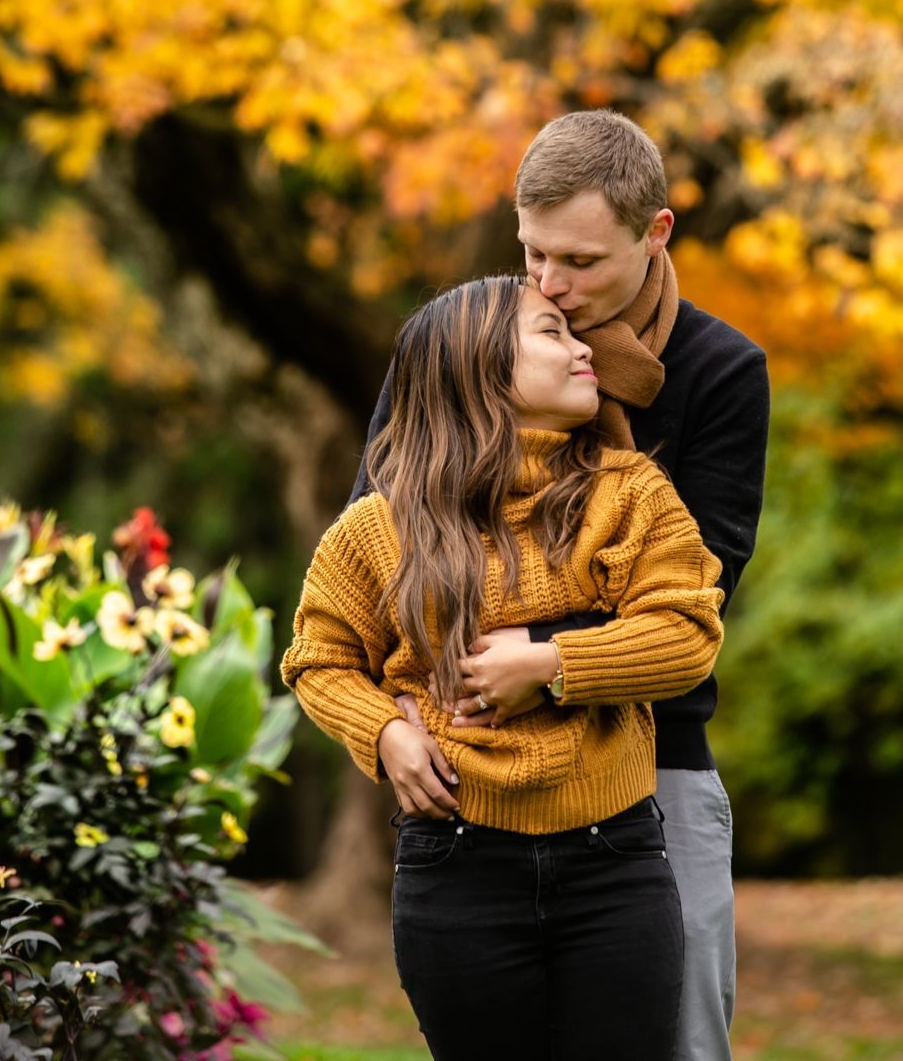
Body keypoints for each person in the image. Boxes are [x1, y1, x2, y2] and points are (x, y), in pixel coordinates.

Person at [349, 110, 770, 1061]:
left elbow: (700, 584)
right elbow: (376, 554)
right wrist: (391, 726)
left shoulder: (718, 370)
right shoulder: (459, 342)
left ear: (653, 232)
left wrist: (539, 660)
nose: (548, 283)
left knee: (682, 1040)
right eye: (532, 253)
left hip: (650, 753)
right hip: (479, 765)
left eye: (578, 261)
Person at [282, 276, 725, 1061]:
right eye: (553, 332)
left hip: (615, 864)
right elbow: (317, 659)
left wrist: (552, 663)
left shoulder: (632, 493)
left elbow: (687, 634)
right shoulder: (379, 527)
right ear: (478, 369)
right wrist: (383, 732)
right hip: (454, 865)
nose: (585, 346)